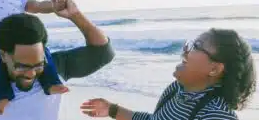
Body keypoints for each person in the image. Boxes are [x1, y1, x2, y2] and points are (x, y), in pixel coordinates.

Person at [80, 29, 256, 120]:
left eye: (197, 46)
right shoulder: (177, 90)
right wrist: (112, 109)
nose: (185, 49)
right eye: (191, 43)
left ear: (214, 69)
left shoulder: (216, 115)